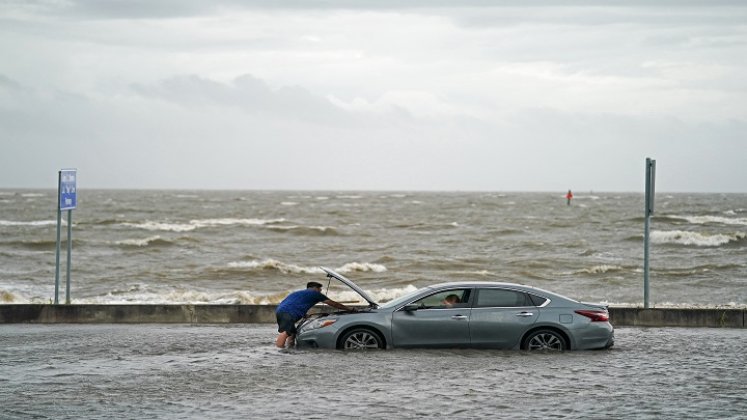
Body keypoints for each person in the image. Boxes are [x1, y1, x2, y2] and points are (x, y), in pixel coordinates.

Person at [275, 281, 357, 348]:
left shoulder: (300, 293)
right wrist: (350, 309)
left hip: (280, 310)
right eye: (319, 289)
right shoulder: (315, 294)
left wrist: (304, 314)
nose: (320, 291)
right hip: (288, 312)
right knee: (286, 332)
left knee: (292, 331)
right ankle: (280, 351)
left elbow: (296, 303)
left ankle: (290, 346)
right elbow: (334, 304)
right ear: (314, 288)